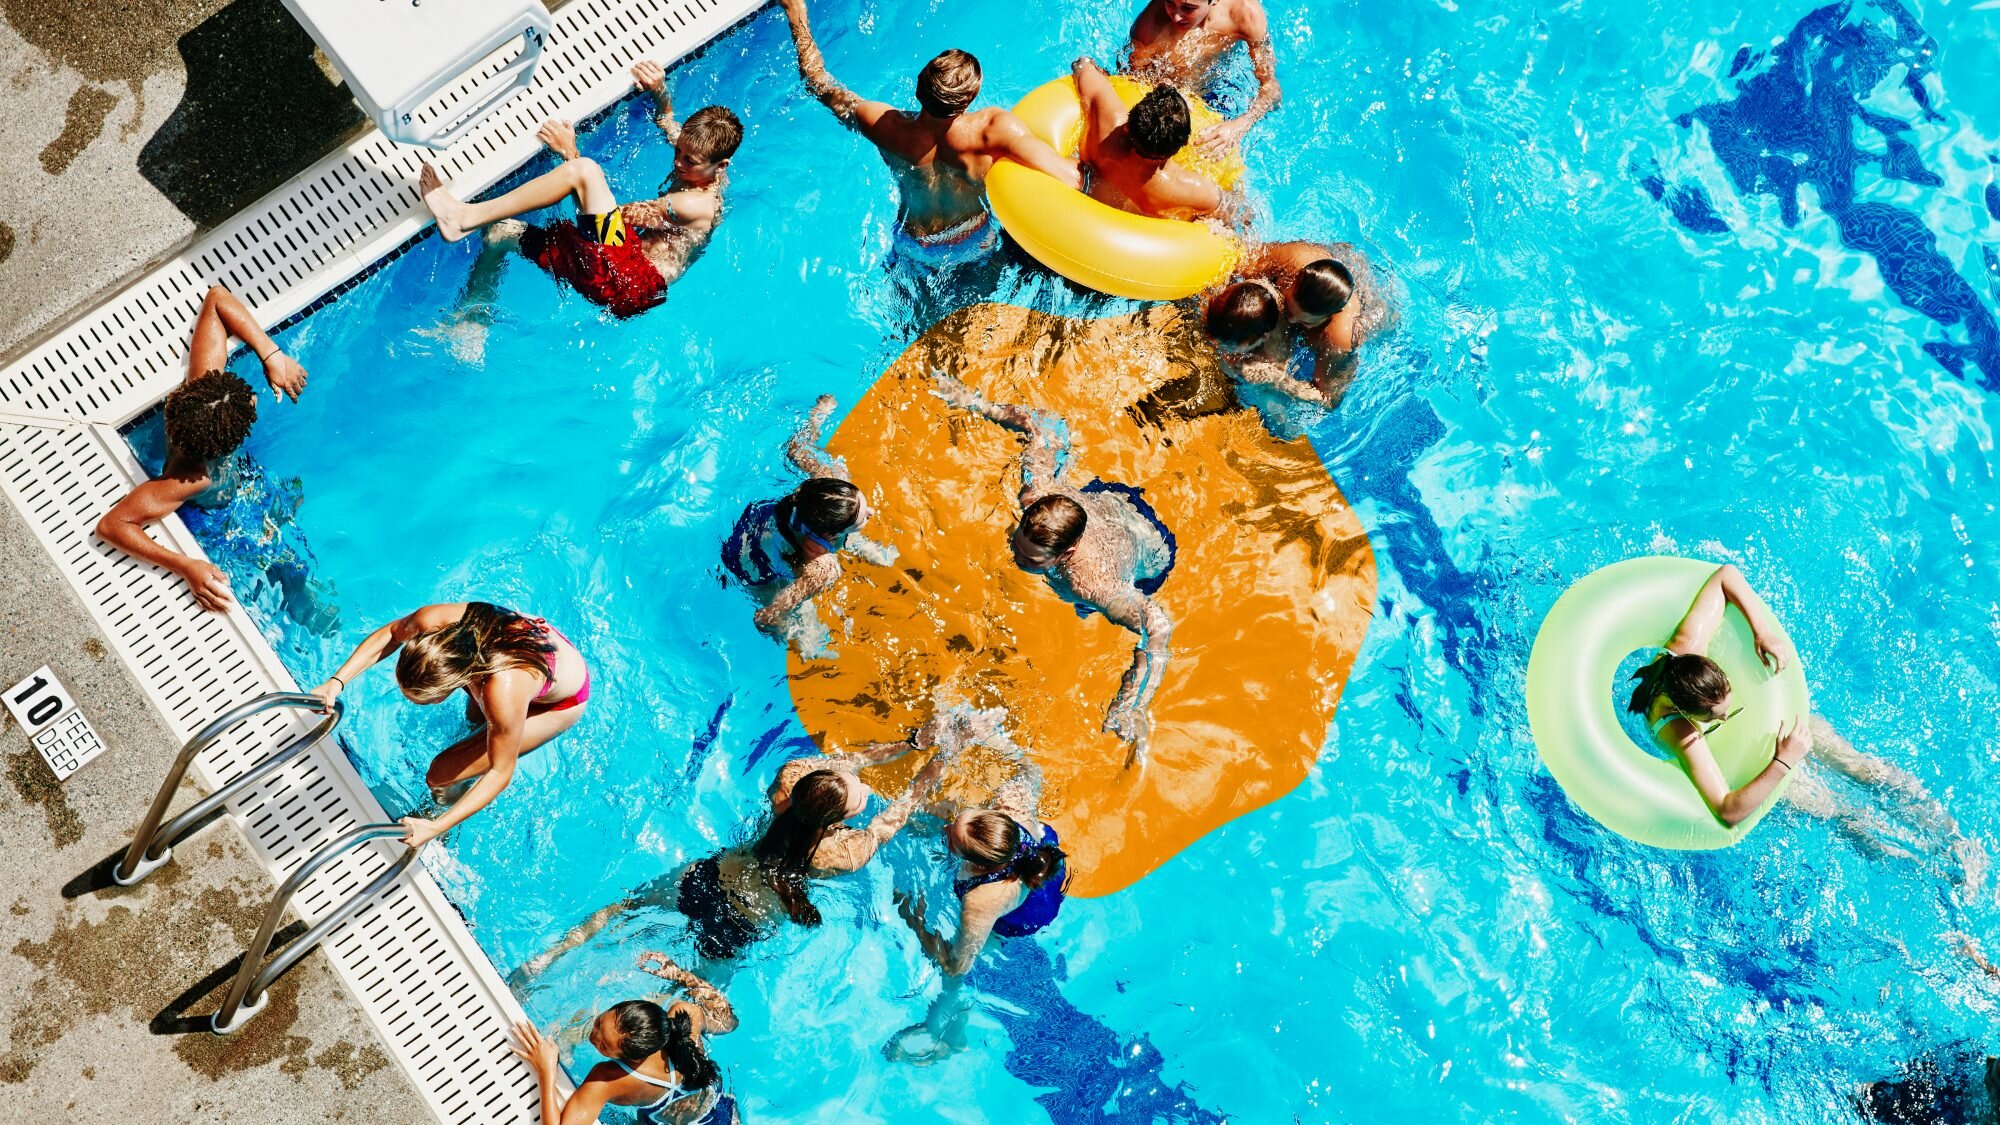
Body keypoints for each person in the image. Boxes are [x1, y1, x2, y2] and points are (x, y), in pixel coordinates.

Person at [513, 715, 961, 979]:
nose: (862, 788)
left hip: (705, 878)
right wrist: (939, 758)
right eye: (858, 795)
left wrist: (910, 742)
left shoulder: (789, 784)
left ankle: (548, 957)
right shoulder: (845, 853)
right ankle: (576, 1028)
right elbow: (900, 811)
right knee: (686, 992)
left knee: (621, 910)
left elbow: (846, 762)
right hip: (741, 925)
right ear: (837, 820)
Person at [1634, 564, 1981, 876]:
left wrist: (1761, 631)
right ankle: (1938, 875)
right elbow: (1727, 811)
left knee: (1862, 767)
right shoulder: (1678, 730)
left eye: (1729, 699)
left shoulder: (1688, 645)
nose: (1728, 714)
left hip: (1776, 721)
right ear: (1687, 712)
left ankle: (1955, 839)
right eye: (1716, 716)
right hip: (1753, 766)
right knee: (1841, 813)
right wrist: (1784, 760)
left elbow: (1726, 574)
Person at [932, 374, 1174, 765]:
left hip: (1149, 550)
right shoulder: (1036, 496)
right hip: (1103, 501)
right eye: (1017, 544)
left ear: (1066, 554)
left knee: (1088, 610)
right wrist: (976, 403)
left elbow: (1158, 626)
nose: (1016, 558)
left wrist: (1132, 703)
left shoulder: (1090, 583)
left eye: (1030, 560)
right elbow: (1045, 426)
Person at [421, 64, 742, 321]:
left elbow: (609, 217)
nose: (678, 161)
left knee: (584, 172)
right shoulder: (707, 168)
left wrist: (570, 153)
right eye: (679, 150)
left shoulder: (692, 204)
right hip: (622, 276)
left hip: (631, 282)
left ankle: (463, 218)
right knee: (500, 233)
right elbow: (668, 121)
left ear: (721, 164)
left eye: (689, 160)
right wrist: (660, 93)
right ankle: (471, 322)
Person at [776, 0, 1079, 265]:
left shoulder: (884, 125)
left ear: (919, 87)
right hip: (974, 239)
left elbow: (817, 82)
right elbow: (1071, 176)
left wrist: (796, 12)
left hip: (914, 245)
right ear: (968, 100)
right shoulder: (992, 131)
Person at [95, 285, 307, 611]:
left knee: (291, 549)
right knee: (288, 578)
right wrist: (185, 566)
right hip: (218, 519)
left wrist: (271, 355)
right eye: (246, 414)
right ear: (228, 443)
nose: (253, 399)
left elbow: (217, 298)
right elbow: (112, 525)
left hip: (239, 484)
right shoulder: (191, 478)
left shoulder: (200, 394)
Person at [310, 601, 590, 848]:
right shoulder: (432, 624)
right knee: (473, 725)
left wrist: (435, 827)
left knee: (441, 774)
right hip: (524, 649)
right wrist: (336, 683)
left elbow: (500, 772)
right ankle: (468, 767)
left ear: (454, 683)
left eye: (424, 700)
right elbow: (393, 634)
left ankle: (444, 813)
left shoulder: (500, 691)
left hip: (558, 701)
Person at [722, 394, 897, 656]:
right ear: (828, 532)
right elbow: (766, 615)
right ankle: (811, 650)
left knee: (843, 538)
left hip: (755, 524)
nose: (871, 512)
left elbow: (795, 448)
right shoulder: (821, 569)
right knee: (810, 633)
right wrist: (780, 625)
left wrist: (819, 414)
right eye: (863, 516)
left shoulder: (825, 486)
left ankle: (858, 543)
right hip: (756, 569)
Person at [510, 952, 738, 1124]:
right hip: (726, 1113)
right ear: (622, 1005)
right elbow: (728, 1022)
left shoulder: (608, 1078)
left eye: (603, 1045)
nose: (593, 1036)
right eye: (599, 1024)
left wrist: (546, 1070)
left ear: (634, 1057)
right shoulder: (686, 1018)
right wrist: (679, 975)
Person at [896, 751, 1066, 977]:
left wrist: (914, 919)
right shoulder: (1012, 807)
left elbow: (955, 968)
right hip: (1042, 860)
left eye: (952, 840)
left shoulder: (980, 902)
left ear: (979, 866)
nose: (945, 828)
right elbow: (1031, 768)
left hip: (1028, 914)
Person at [1204, 240, 1392, 408]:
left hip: (1370, 302)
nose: (1290, 319)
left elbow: (1329, 400)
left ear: (1328, 317)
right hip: (1335, 263)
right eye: (1289, 306)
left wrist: (1276, 379)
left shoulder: (1338, 337)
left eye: (1303, 320)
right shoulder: (1292, 260)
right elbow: (1236, 264)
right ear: (1294, 282)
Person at [1072, 57, 1223, 220]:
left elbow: (1081, 64)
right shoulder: (1187, 190)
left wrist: (1096, 69)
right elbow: (1224, 210)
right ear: (1184, 144)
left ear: (1127, 126)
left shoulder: (1107, 124)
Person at [1124, 0, 1279, 158]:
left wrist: (1239, 126)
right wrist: (1164, 90)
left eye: (1188, 8)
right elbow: (1132, 81)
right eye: (1170, 3)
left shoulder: (1246, 15)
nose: (1176, 16)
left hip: (1222, 85)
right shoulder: (1150, 27)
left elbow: (1272, 91)